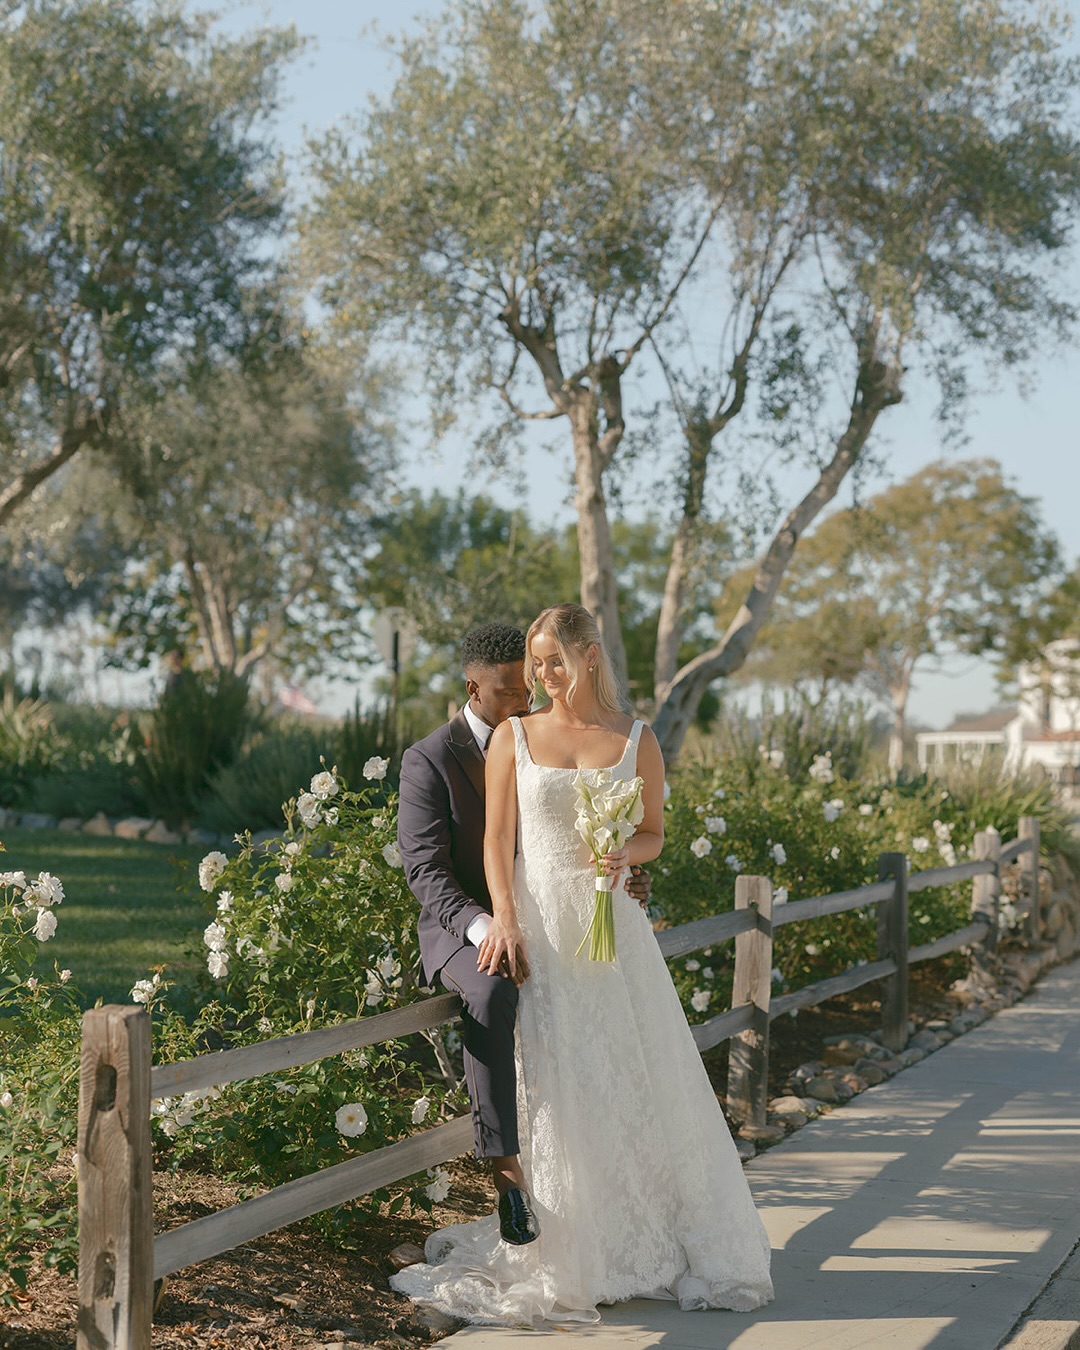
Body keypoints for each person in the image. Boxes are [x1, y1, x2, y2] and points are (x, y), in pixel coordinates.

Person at [391, 604, 773, 1326]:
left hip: (611, 928)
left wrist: (629, 856)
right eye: (533, 665)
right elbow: (490, 845)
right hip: (532, 923)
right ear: (478, 686)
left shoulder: (637, 738)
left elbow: (653, 831)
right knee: (557, 1074)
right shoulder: (502, 741)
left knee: (628, 1075)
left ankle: (643, 1240)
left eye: (551, 661)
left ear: (590, 656)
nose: (540, 678)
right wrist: (500, 920)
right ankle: (539, 1215)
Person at [395, 622, 652, 1245]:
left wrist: (624, 877)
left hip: (553, 913)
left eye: (527, 687)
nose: (524, 701)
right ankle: (509, 1180)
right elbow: (425, 870)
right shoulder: (429, 758)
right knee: (492, 994)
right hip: (464, 925)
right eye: (509, 692)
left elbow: (584, 829)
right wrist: (490, 926)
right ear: (472, 686)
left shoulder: (544, 734)